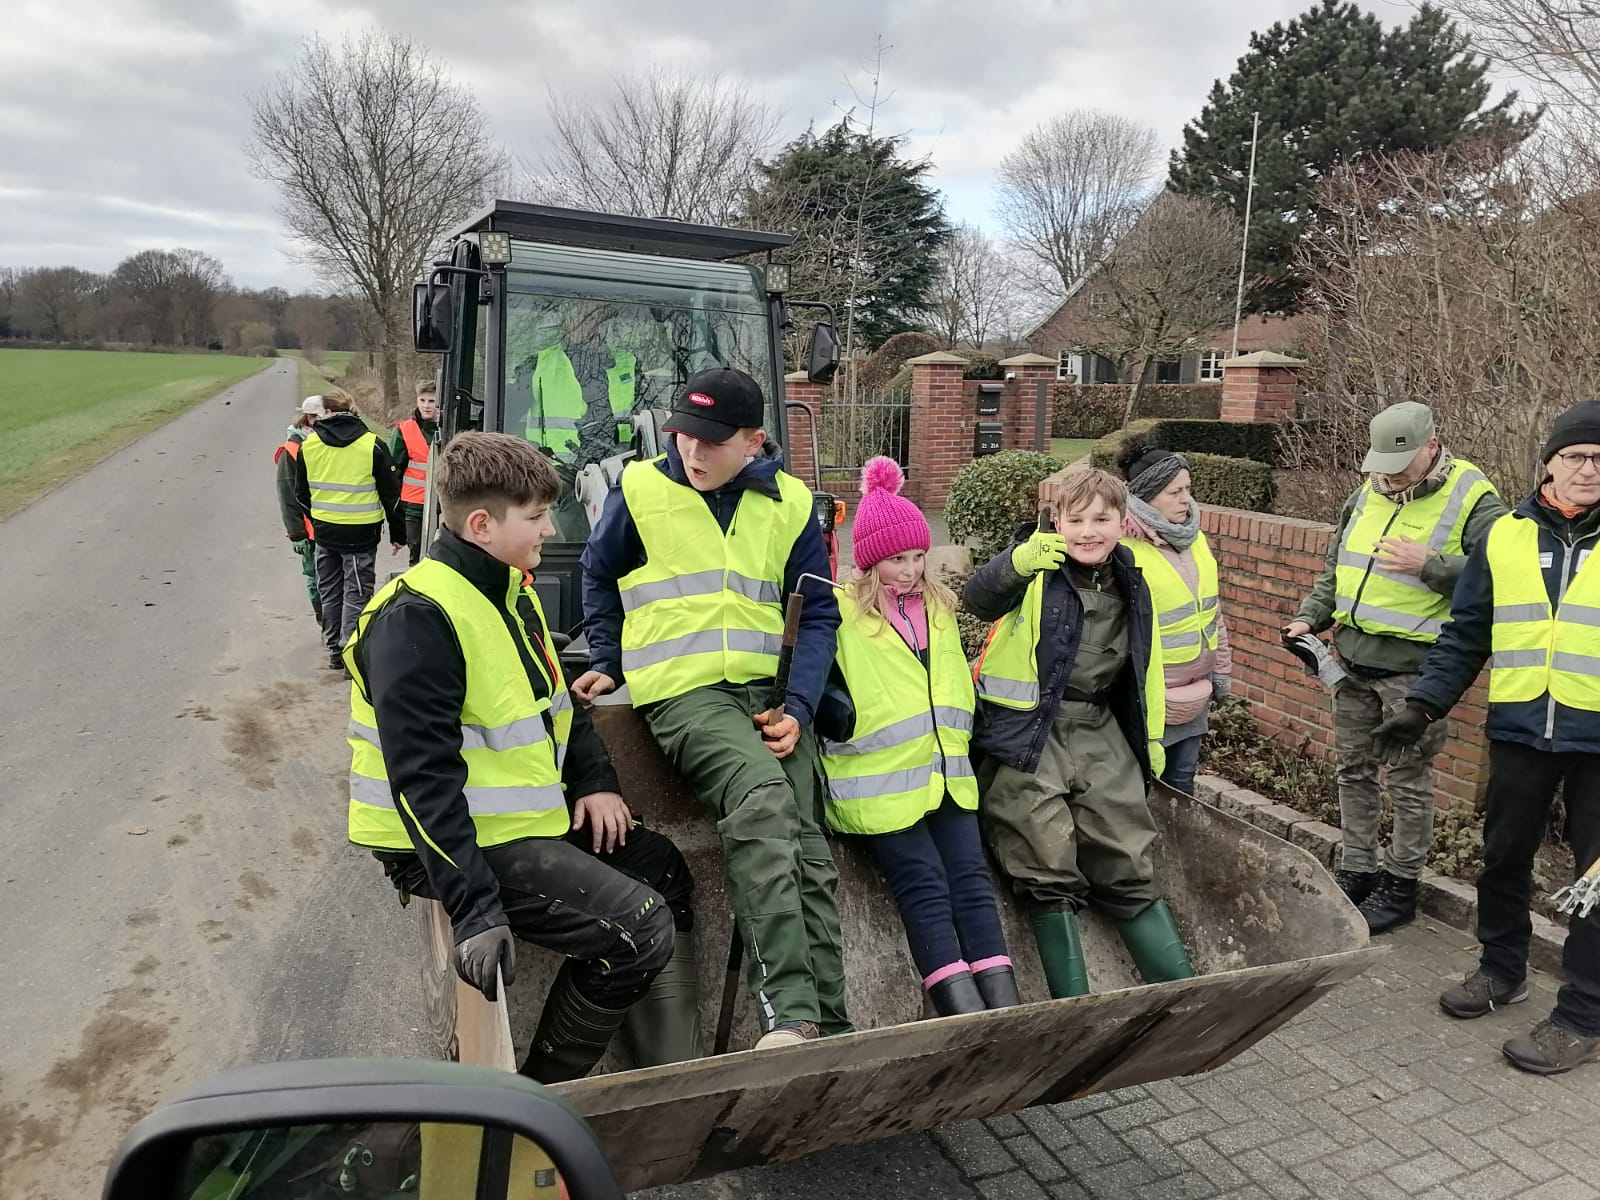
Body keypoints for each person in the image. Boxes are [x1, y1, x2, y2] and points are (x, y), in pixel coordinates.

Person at [344, 431, 698, 1081]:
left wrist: (594, 780)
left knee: (663, 868)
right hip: (445, 846)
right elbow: (423, 782)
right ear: (481, 524)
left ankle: (675, 1076)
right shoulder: (417, 618)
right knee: (638, 929)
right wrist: (476, 912)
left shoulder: (513, 594)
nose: (549, 527)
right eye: (535, 515)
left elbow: (556, 706)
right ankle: (538, 1104)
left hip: (514, 826)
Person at [575, 366, 850, 1050]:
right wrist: (607, 658)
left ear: (754, 441)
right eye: (684, 435)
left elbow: (817, 615)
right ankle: (788, 1012)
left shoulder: (791, 504)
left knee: (810, 850)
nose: (693, 453)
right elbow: (597, 573)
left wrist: (800, 707)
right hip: (685, 693)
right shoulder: (638, 489)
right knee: (761, 803)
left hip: (767, 697)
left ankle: (833, 1026)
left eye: (712, 441)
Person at [1375, 400, 1600, 1076]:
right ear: (1549, 463)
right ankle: (1503, 968)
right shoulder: (1503, 535)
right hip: (1522, 728)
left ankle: (1583, 1013)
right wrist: (1422, 705)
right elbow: (1468, 631)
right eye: (1575, 456)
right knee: (1503, 858)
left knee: (1594, 883)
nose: (1589, 469)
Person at [965, 467, 1193, 998]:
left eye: (1101, 519)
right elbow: (980, 597)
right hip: (1030, 730)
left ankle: (1180, 992)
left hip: (1097, 725)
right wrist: (1017, 564)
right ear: (1056, 521)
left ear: (1122, 522)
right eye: (1076, 520)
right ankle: (1073, 1000)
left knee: (1125, 840)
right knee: (1042, 848)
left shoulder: (1131, 574)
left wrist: (1150, 739)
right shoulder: (1035, 560)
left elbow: (1145, 662)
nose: (1088, 532)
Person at [1284, 402, 1505, 933]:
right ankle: (1358, 869)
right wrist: (1310, 617)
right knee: (1353, 770)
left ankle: (1401, 885)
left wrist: (1427, 565)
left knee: (1408, 779)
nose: (1386, 474)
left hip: (1416, 671)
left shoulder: (1474, 497)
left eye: (1399, 465)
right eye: (1380, 463)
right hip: (1352, 659)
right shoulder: (1365, 492)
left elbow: (1502, 572)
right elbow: (1337, 567)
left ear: (1431, 447)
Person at [818, 457, 1018, 1015]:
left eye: (916, 556)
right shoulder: (839, 613)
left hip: (946, 775)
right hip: (878, 785)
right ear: (869, 560)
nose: (908, 570)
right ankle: (963, 1019)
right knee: (926, 888)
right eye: (895, 559)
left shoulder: (940, 608)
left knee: (972, 884)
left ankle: (1006, 1013)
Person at [1117, 441, 1233, 796]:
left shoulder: (1195, 540)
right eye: (1175, 492)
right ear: (1148, 497)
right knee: (1140, 791)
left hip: (1195, 694)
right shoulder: (1124, 549)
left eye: (1188, 489)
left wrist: (1222, 671)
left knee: (1182, 786)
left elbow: (1212, 614)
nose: (1187, 499)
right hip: (1150, 701)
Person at [291, 391, 405, 670]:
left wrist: (317, 518)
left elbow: (300, 494)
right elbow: (392, 495)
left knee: (329, 590)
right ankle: (350, 649)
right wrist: (398, 534)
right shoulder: (372, 445)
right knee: (357, 592)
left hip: (325, 533)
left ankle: (332, 647)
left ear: (326, 412)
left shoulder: (310, 445)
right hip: (360, 535)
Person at [275, 396, 326, 624]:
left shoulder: (331, 442)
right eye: (313, 416)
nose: (317, 421)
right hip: (309, 529)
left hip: (332, 523)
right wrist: (296, 533)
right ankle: (324, 623)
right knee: (315, 579)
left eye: (321, 416)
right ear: (306, 417)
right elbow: (287, 492)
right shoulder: (293, 448)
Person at [391, 380, 440, 566]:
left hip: (443, 505)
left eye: (431, 401)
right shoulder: (404, 431)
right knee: (417, 553)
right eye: (423, 400)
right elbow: (393, 471)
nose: (427, 406)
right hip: (413, 506)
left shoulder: (448, 428)